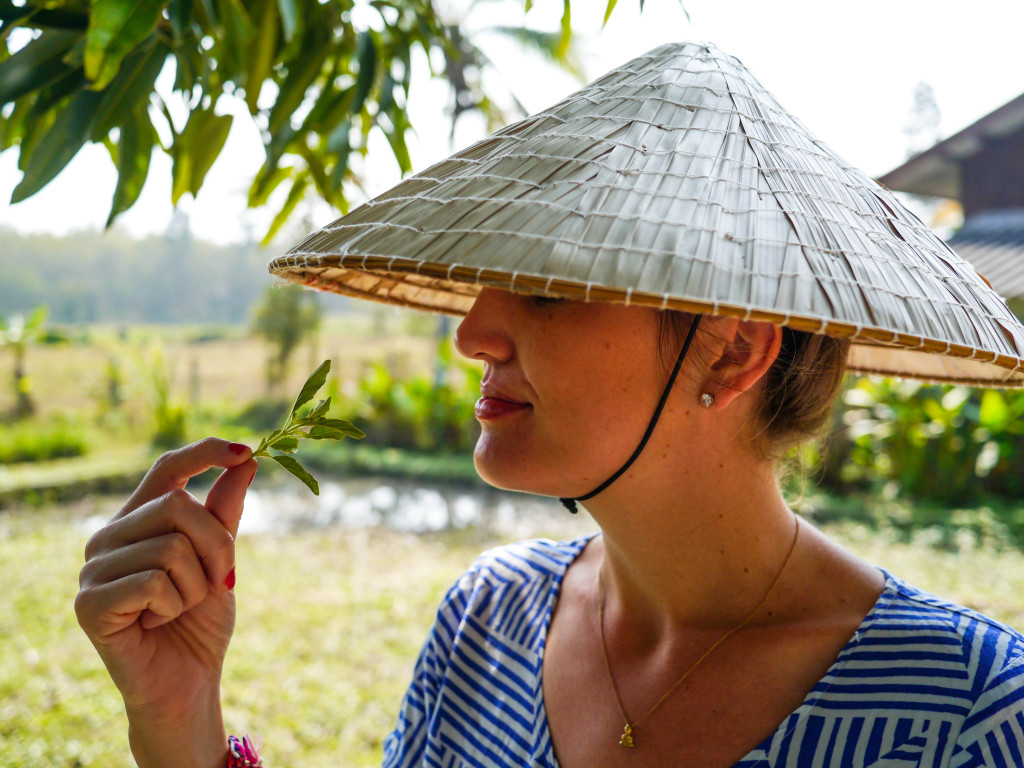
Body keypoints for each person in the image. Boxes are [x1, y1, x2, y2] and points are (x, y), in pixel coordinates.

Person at [76, 42, 1024, 767]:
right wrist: (180, 719)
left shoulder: (973, 716)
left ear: (731, 348)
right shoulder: (483, 623)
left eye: (551, 288)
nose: (471, 331)